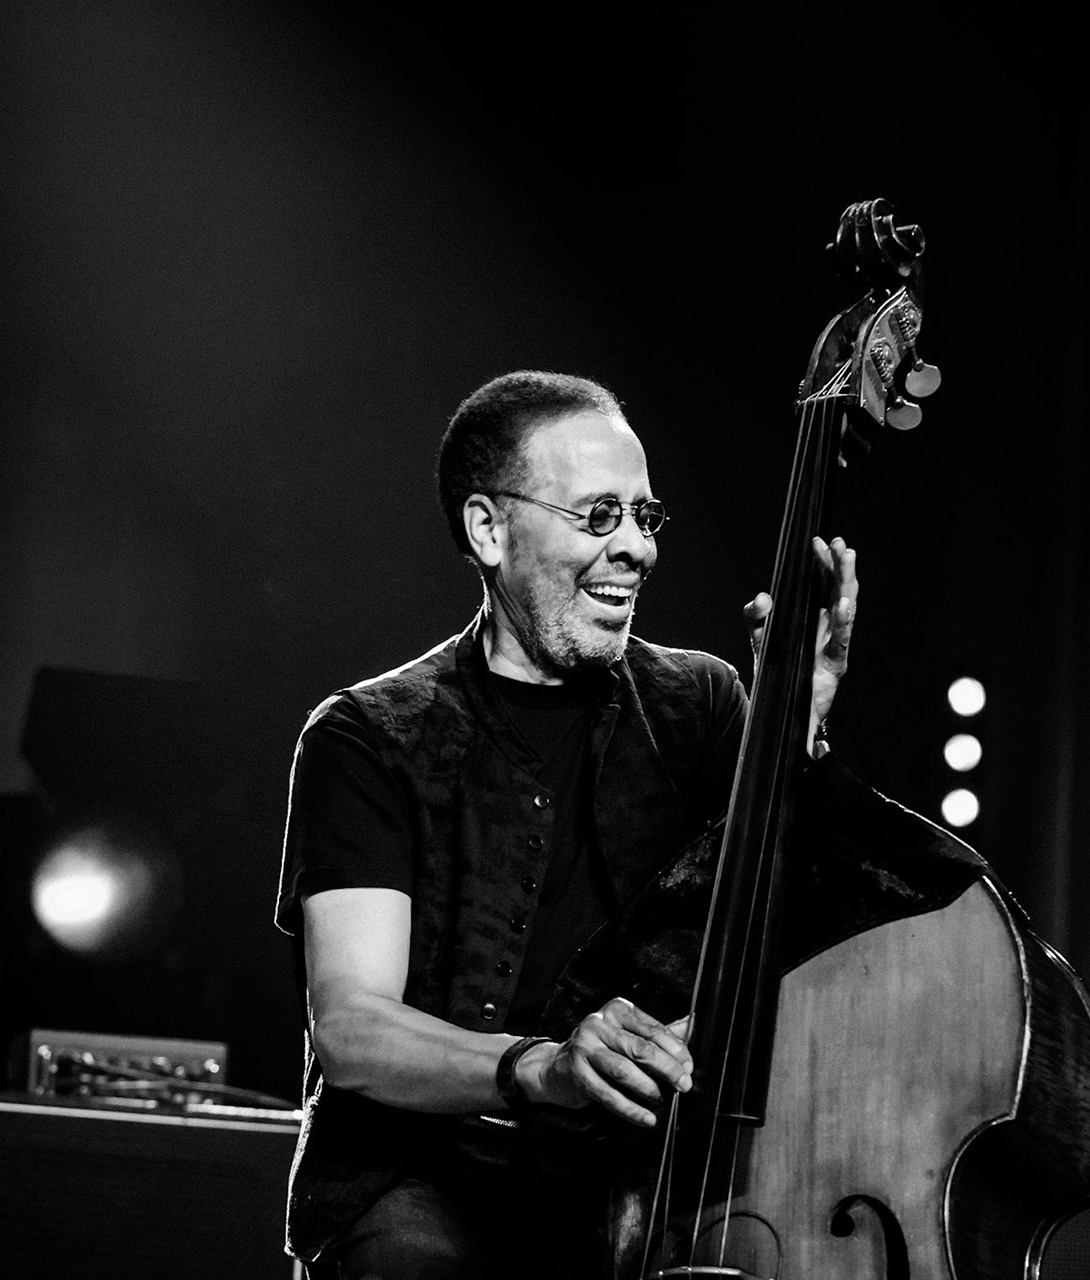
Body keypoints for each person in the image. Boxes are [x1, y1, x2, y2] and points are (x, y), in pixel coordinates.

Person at [271, 369, 859, 1279]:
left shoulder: (701, 703)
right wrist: (540, 1067)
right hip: (426, 1177)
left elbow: (805, 923)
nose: (637, 549)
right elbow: (352, 1030)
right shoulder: (367, 736)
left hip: (638, 1178)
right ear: (489, 529)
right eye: (599, 516)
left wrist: (800, 724)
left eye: (644, 516)